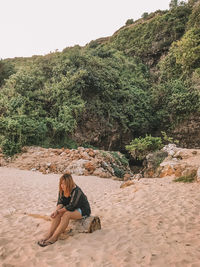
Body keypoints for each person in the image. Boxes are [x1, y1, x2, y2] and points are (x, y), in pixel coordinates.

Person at [38, 171, 91, 247]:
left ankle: (54, 237)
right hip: (70, 208)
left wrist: (60, 211)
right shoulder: (62, 190)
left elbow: (71, 206)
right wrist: (56, 211)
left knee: (66, 215)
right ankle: (49, 234)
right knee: (58, 213)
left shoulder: (76, 191)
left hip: (82, 209)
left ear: (69, 184)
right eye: (61, 183)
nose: (62, 185)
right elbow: (60, 203)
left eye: (64, 184)